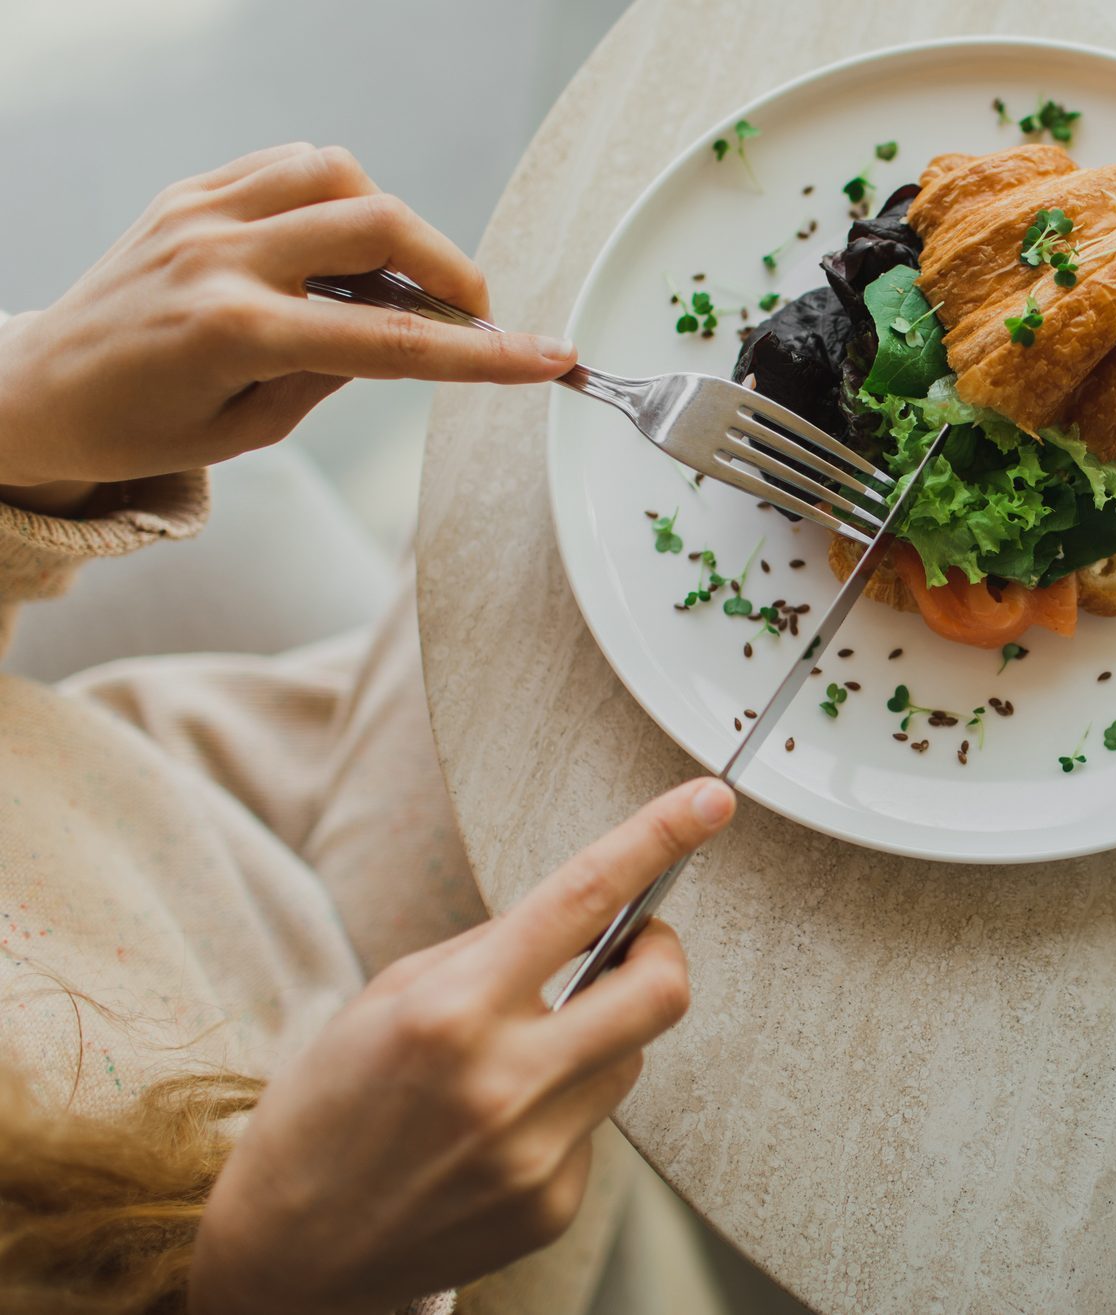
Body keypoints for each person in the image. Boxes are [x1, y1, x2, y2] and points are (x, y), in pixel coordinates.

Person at [0, 143, 737, 1315]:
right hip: (401, 1232)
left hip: (214, 807)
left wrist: (21, 421)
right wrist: (271, 1283)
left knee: (551, 537)